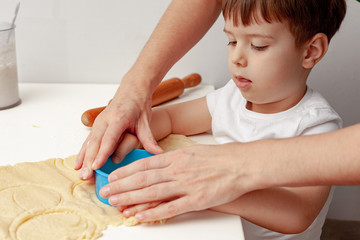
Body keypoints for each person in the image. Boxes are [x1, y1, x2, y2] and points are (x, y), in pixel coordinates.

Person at [72, 0, 358, 235]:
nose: (237, 58)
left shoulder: (316, 124)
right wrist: (133, 133)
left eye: (258, 45)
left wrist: (215, 192)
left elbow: (298, 214)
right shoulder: (233, 96)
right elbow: (171, 118)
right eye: (232, 41)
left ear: (311, 51)